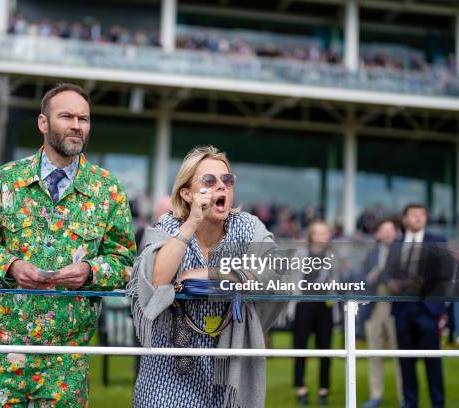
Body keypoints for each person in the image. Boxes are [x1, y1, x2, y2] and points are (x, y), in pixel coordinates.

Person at [0, 83, 136, 406]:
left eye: (83, 119)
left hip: (67, 357)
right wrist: (11, 267)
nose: (76, 125)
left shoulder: (108, 190)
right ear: (43, 123)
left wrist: (89, 271)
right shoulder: (4, 180)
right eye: (67, 116)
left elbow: (125, 260)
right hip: (3, 349)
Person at [130, 145, 285, 408]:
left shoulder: (246, 226)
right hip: (169, 370)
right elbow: (155, 282)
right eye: (209, 181)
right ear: (187, 193)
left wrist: (209, 273)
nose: (221, 186)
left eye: (227, 180)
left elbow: (275, 271)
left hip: (228, 371)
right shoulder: (170, 225)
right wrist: (191, 223)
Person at [381, 204, 454, 408]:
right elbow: (387, 272)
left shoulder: (437, 240)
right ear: (404, 219)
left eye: (422, 214)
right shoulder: (397, 243)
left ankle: (437, 404)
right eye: (414, 215)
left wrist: (426, 285)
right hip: (402, 310)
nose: (418, 218)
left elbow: (447, 271)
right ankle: (410, 403)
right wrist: (390, 282)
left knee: (433, 362)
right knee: (405, 362)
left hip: (428, 311)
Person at [361, 219, 403, 408]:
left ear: (396, 233)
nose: (387, 233)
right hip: (374, 307)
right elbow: (362, 279)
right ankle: (376, 395)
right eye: (383, 229)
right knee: (374, 354)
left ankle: (405, 396)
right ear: (377, 233)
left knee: (400, 355)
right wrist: (371, 277)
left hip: (396, 307)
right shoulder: (370, 254)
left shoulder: (403, 252)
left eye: (390, 230)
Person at [293, 221, 334, 406]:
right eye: (318, 233)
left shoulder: (334, 257)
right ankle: (301, 389)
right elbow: (293, 282)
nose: (321, 236)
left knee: (325, 351)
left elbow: (341, 282)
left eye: (324, 232)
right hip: (304, 306)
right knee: (300, 349)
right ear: (311, 235)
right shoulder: (301, 254)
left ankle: (323, 390)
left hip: (325, 308)